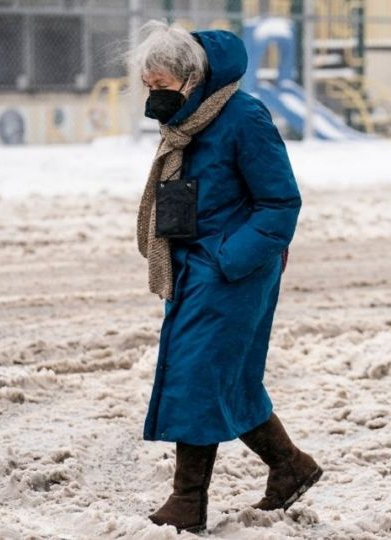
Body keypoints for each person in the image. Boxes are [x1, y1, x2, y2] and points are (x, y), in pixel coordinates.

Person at [129, 21, 321, 533]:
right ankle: (290, 466)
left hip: (233, 270)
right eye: (148, 88)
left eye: (162, 87)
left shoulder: (242, 117)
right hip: (194, 266)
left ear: (192, 79)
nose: (155, 98)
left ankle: (187, 501)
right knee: (223, 377)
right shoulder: (188, 122)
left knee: (196, 376)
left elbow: (280, 203)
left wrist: (226, 258)